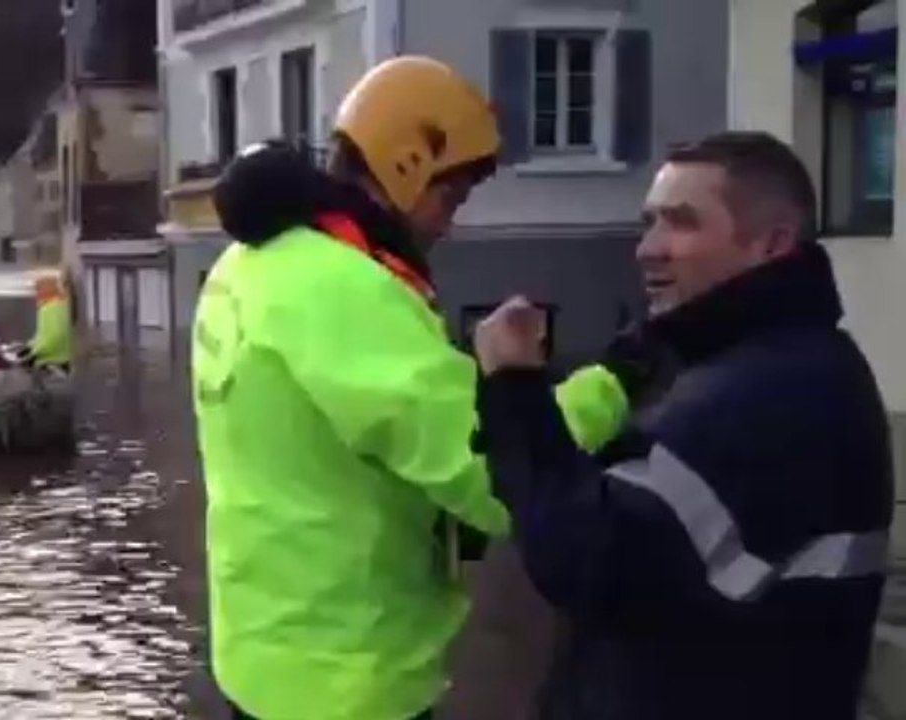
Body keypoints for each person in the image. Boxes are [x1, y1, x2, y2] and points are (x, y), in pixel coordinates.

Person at [190, 55, 634, 720]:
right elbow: (495, 476)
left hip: (264, 657)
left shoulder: (248, 264)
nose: (447, 223)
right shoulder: (343, 288)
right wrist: (614, 384)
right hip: (349, 684)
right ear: (404, 167)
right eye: (447, 197)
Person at [474, 131, 894, 720]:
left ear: (772, 243)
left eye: (681, 222)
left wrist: (515, 392)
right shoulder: (759, 364)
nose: (649, 247)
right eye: (650, 222)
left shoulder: (769, 392)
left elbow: (585, 557)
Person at [18, 271, 72, 372]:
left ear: (47, 289)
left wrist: (36, 354)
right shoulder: (53, 305)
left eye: (38, 288)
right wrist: (29, 347)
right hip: (58, 358)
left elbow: (57, 334)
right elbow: (43, 334)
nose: (36, 292)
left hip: (57, 360)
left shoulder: (52, 307)